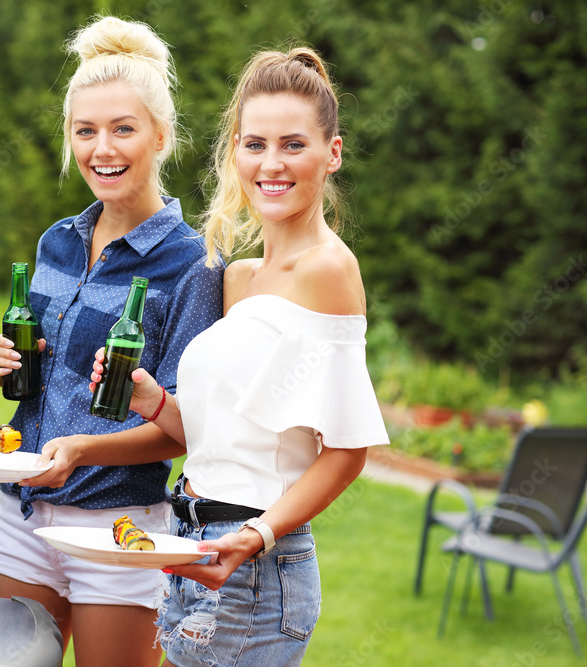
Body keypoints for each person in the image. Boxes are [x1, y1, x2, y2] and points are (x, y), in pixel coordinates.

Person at [92, 46, 390, 664]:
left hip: (255, 564)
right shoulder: (239, 276)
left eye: (293, 144)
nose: (271, 164)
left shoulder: (329, 271)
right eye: (254, 144)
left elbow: (345, 453)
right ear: (235, 151)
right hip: (190, 544)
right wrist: (154, 401)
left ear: (331, 154)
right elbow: (216, 438)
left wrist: (256, 536)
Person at [0, 16, 224, 667]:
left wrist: (82, 449)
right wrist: (8, 367)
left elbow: (183, 426)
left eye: (123, 128)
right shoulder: (56, 242)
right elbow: (37, 379)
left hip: (120, 529)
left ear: (161, 136)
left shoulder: (193, 264)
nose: (101, 147)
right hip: (23, 514)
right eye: (84, 130)